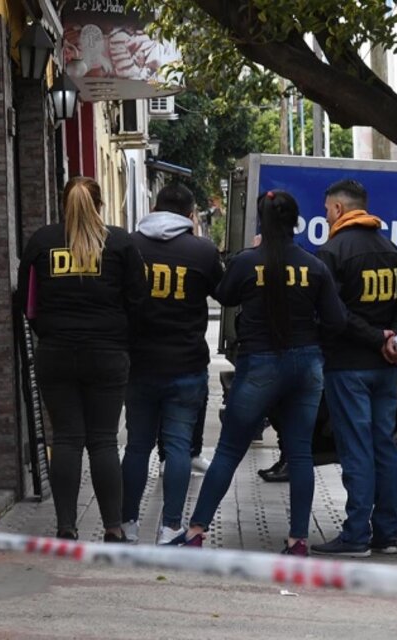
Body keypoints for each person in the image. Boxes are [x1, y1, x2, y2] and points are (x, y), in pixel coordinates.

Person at [168, 189, 347, 556]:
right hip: (307, 365)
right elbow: (337, 320)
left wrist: (248, 254)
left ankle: (197, 531)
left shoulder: (249, 262)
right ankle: (298, 540)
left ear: (262, 223)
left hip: (259, 364)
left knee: (230, 449)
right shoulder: (315, 266)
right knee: (300, 453)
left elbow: (224, 295)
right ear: (296, 222)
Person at [17, 176, 147, 542]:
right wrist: (122, 341)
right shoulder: (119, 242)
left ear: (64, 204)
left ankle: (66, 526)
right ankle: (113, 527)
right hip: (107, 354)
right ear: (101, 204)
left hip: (56, 352)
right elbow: (139, 301)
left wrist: (49, 331)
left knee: (68, 439)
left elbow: (26, 303)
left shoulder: (42, 242)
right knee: (104, 440)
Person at [311, 179, 397, 558]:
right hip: (386, 367)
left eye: (327, 210)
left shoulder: (332, 252)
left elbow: (334, 315)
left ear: (340, 209)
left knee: (356, 450)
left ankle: (356, 535)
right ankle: (387, 533)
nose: (325, 216)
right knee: (384, 447)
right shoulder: (392, 250)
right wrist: (395, 340)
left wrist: (376, 337)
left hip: (348, 367)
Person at [122, 183, 224, 544]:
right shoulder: (202, 251)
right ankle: (169, 528)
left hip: (140, 364)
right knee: (179, 447)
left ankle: (129, 524)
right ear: (191, 215)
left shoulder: (130, 246)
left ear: (154, 206)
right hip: (186, 365)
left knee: (137, 446)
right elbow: (224, 292)